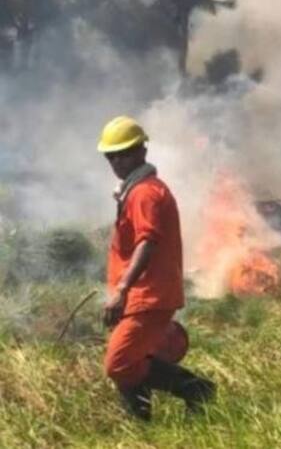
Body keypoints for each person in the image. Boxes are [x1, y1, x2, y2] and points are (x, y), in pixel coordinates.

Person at [98, 115, 216, 420]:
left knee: (119, 363)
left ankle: (197, 389)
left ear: (142, 152)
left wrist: (122, 289)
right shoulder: (135, 191)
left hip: (146, 295)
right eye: (112, 155)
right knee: (136, 359)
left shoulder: (144, 193)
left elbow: (147, 242)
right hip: (141, 294)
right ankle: (142, 426)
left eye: (125, 153)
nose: (118, 161)